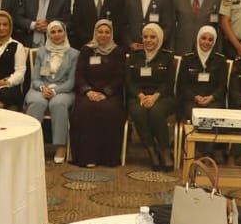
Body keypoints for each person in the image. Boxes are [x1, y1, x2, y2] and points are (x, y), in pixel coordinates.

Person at [72, 19, 126, 168]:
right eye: (100, 32)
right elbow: (79, 74)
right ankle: (86, 157)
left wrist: (106, 93)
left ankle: (107, 158)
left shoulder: (118, 51)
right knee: (85, 108)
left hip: (110, 93)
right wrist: (88, 91)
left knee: (109, 109)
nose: (103, 35)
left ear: (111, 34)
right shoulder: (86, 50)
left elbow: (120, 77)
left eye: (107, 32)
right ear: (95, 33)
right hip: (88, 92)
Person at [126, 22, 177, 170]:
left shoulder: (167, 57)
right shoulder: (134, 56)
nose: (148, 40)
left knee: (156, 112)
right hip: (138, 96)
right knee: (138, 112)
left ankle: (165, 151)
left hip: (162, 96)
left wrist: (154, 97)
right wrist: (141, 96)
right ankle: (152, 151)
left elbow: (169, 82)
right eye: (145, 37)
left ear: (159, 38)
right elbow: (129, 81)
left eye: (152, 37)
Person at [26, 20, 78, 163]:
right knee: (37, 102)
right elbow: (35, 78)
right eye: (53, 32)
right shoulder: (42, 51)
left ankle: (60, 146)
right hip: (41, 88)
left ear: (65, 33)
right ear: (48, 35)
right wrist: (42, 88)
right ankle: (31, 146)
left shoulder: (74, 54)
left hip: (64, 90)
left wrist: (55, 91)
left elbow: (71, 82)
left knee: (57, 103)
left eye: (59, 31)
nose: (56, 35)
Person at [176, 25, 230, 127]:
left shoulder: (221, 60)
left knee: (211, 117)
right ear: (198, 39)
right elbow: (182, 85)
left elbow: (222, 86)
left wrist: (211, 97)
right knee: (195, 115)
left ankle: (205, 137)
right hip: (191, 100)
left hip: (213, 101)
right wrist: (195, 97)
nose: (206, 42)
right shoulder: (187, 59)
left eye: (210, 40)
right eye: (203, 38)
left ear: (214, 42)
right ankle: (195, 137)